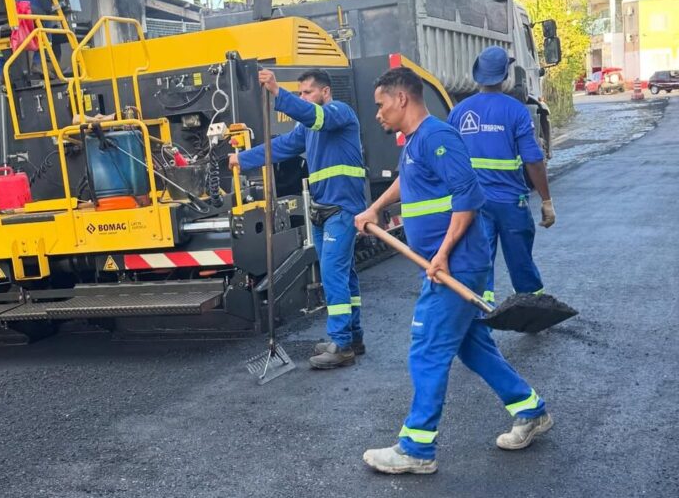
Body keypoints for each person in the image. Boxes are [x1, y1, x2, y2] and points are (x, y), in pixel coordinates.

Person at [356, 67, 552, 475]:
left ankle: (417, 448)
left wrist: (443, 254)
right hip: (447, 262)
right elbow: (409, 181)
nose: (377, 113)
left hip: (456, 264)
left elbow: (469, 197)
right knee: (471, 345)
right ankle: (530, 409)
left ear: (402, 99)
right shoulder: (414, 143)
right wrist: (377, 207)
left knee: (426, 350)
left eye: (380, 104)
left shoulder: (438, 136)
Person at [229, 69, 366, 369]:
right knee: (344, 274)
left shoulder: (338, 113)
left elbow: (313, 116)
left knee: (332, 273)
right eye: (300, 93)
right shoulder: (309, 128)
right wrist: (243, 159)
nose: (303, 98)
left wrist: (279, 93)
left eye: (307, 92)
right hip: (321, 209)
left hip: (341, 209)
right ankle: (352, 336)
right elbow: (281, 147)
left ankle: (341, 344)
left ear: (325, 93)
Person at [447, 46, 555, 306]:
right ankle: (533, 308)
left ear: (478, 75)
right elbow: (533, 159)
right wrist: (546, 200)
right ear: (505, 75)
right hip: (510, 202)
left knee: (481, 260)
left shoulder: (459, 112)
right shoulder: (516, 111)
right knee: (520, 260)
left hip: (473, 204)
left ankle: (483, 311)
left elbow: (449, 159)